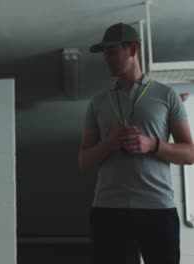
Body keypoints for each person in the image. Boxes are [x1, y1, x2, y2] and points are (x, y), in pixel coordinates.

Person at [78, 23, 194, 264]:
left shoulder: (166, 95)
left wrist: (153, 145)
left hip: (157, 208)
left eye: (111, 52)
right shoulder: (97, 102)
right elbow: (84, 161)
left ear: (132, 49)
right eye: (105, 54)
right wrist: (109, 143)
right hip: (108, 209)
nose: (106, 59)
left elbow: (190, 153)